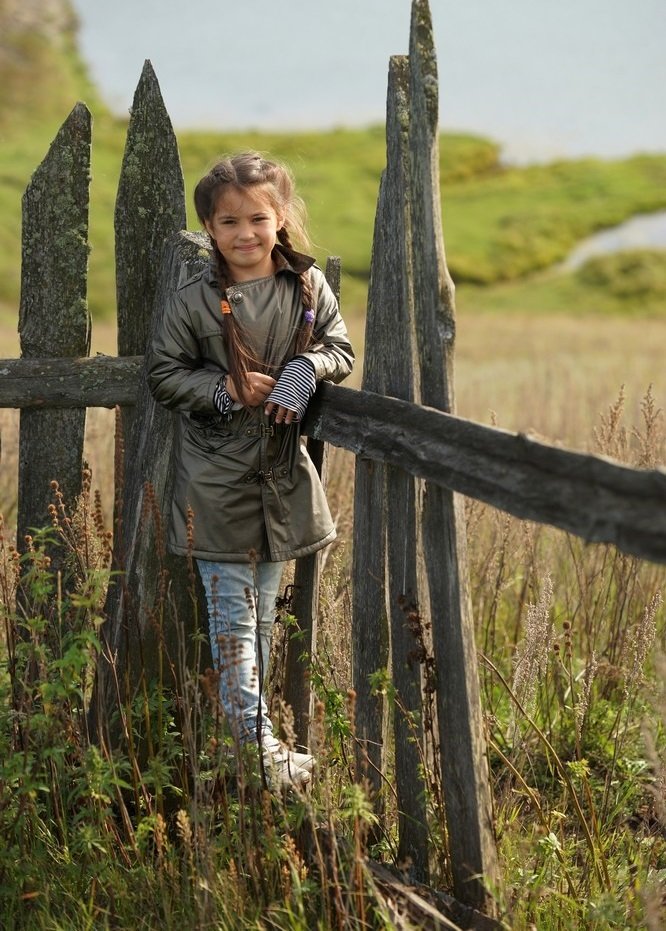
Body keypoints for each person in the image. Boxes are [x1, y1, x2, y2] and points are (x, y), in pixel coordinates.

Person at [147, 152, 354, 789]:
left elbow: (340, 349)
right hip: (215, 481)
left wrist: (305, 371)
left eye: (258, 218)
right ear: (209, 227)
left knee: (261, 613)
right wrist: (225, 391)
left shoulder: (308, 288)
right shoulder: (195, 300)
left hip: (281, 477)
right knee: (231, 617)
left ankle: (249, 736)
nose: (246, 233)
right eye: (229, 221)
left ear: (281, 218)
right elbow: (163, 375)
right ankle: (257, 746)